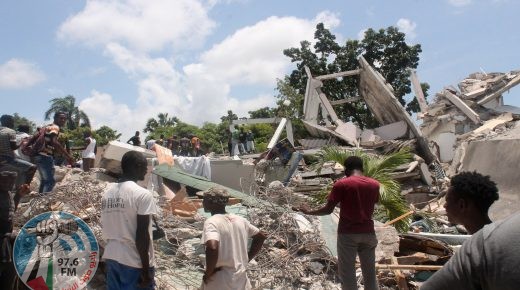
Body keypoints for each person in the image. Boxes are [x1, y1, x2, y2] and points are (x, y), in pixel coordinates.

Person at [294, 156, 380, 290]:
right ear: (362, 168)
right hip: (369, 233)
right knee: (370, 273)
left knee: (348, 274)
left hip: (348, 234)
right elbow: (374, 202)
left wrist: (309, 212)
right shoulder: (374, 184)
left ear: (346, 169)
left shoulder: (342, 184)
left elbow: (328, 210)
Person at [101, 151, 157, 289]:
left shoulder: (107, 194)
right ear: (137, 166)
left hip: (112, 256)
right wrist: (145, 269)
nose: (146, 170)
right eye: (145, 166)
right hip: (133, 261)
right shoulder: (143, 195)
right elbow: (142, 235)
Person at [421, 212, 520, 290]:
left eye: (448, 201)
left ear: (462, 205)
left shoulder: (484, 243)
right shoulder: (483, 243)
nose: (444, 206)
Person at [201, 187, 266, 290]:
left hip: (220, 281)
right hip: (241, 279)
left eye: (204, 199)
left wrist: (208, 273)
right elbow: (261, 237)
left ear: (211, 202)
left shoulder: (212, 222)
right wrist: (246, 259)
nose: (202, 202)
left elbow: (212, 247)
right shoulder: (240, 220)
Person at [0, 171, 29, 289]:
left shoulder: (8, 195)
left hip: (7, 239)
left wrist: (18, 196)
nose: (9, 183)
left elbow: (9, 214)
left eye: (11, 181)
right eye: (4, 180)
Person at [34, 112, 75, 194]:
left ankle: (39, 201)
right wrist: (68, 156)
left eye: (64, 118)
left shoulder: (47, 126)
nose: (63, 120)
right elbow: (54, 142)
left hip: (39, 155)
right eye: (61, 118)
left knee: (44, 181)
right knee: (50, 182)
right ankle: (44, 203)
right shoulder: (55, 127)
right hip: (45, 156)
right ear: (55, 118)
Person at [0, 114, 37, 191]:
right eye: (12, 121)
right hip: (8, 159)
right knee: (33, 167)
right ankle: (24, 188)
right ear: (8, 122)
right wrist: (21, 143)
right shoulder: (11, 131)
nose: (13, 123)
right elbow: (13, 147)